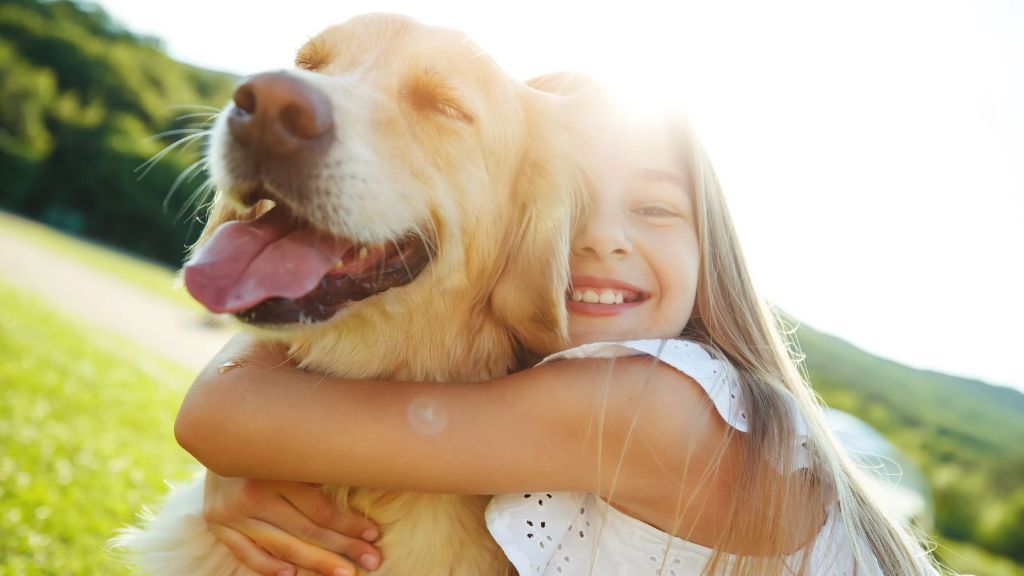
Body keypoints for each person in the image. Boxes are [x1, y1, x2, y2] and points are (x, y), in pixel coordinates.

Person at [175, 74, 942, 576]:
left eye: (654, 208)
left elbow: (220, 417)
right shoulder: (563, 391)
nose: (600, 238)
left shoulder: (649, 407)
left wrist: (240, 459)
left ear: (715, 259)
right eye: (561, 205)